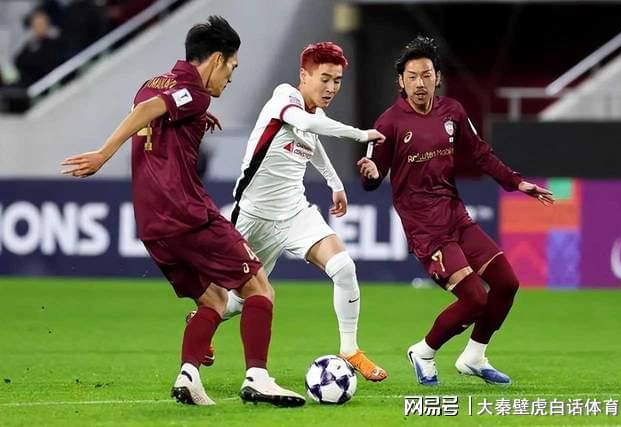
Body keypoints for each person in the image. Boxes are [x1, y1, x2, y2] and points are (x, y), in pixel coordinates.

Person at [61, 16, 305, 407]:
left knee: (214, 302)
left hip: (152, 224)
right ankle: (258, 377)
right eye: (232, 67)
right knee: (260, 288)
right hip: (187, 213)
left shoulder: (153, 83)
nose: (231, 77)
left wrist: (198, 116)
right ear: (217, 59)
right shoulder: (193, 93)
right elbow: (154, 109)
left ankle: (188, 376)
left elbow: (156, 106)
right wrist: (104, 153)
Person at [357, 36, 554, 386]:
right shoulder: (388, 124)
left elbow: (480, 153)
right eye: (412, 76)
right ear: (401, 81)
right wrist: (371, 174)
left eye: (426, 75)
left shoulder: (453, 111)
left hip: (456, 215)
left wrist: (517, 182)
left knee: (506, 283)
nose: (420, 83)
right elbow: (373, 176)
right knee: (475, 298)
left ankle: (474, 356)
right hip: (425, 228)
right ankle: (424, 351)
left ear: (438, 77)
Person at [222, 42, 388, 382]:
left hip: (295, 212)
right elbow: (307, 126)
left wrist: (335, 183)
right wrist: (360, 134)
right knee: (237, 301)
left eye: (337, 80)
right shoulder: (284, 98)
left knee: (344, 267)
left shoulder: (316, 117)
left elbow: (313, 144)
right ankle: (203, 324)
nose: (331, 88)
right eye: (325, 79)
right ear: (304, 75)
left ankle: (350, 349)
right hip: (253, 216)